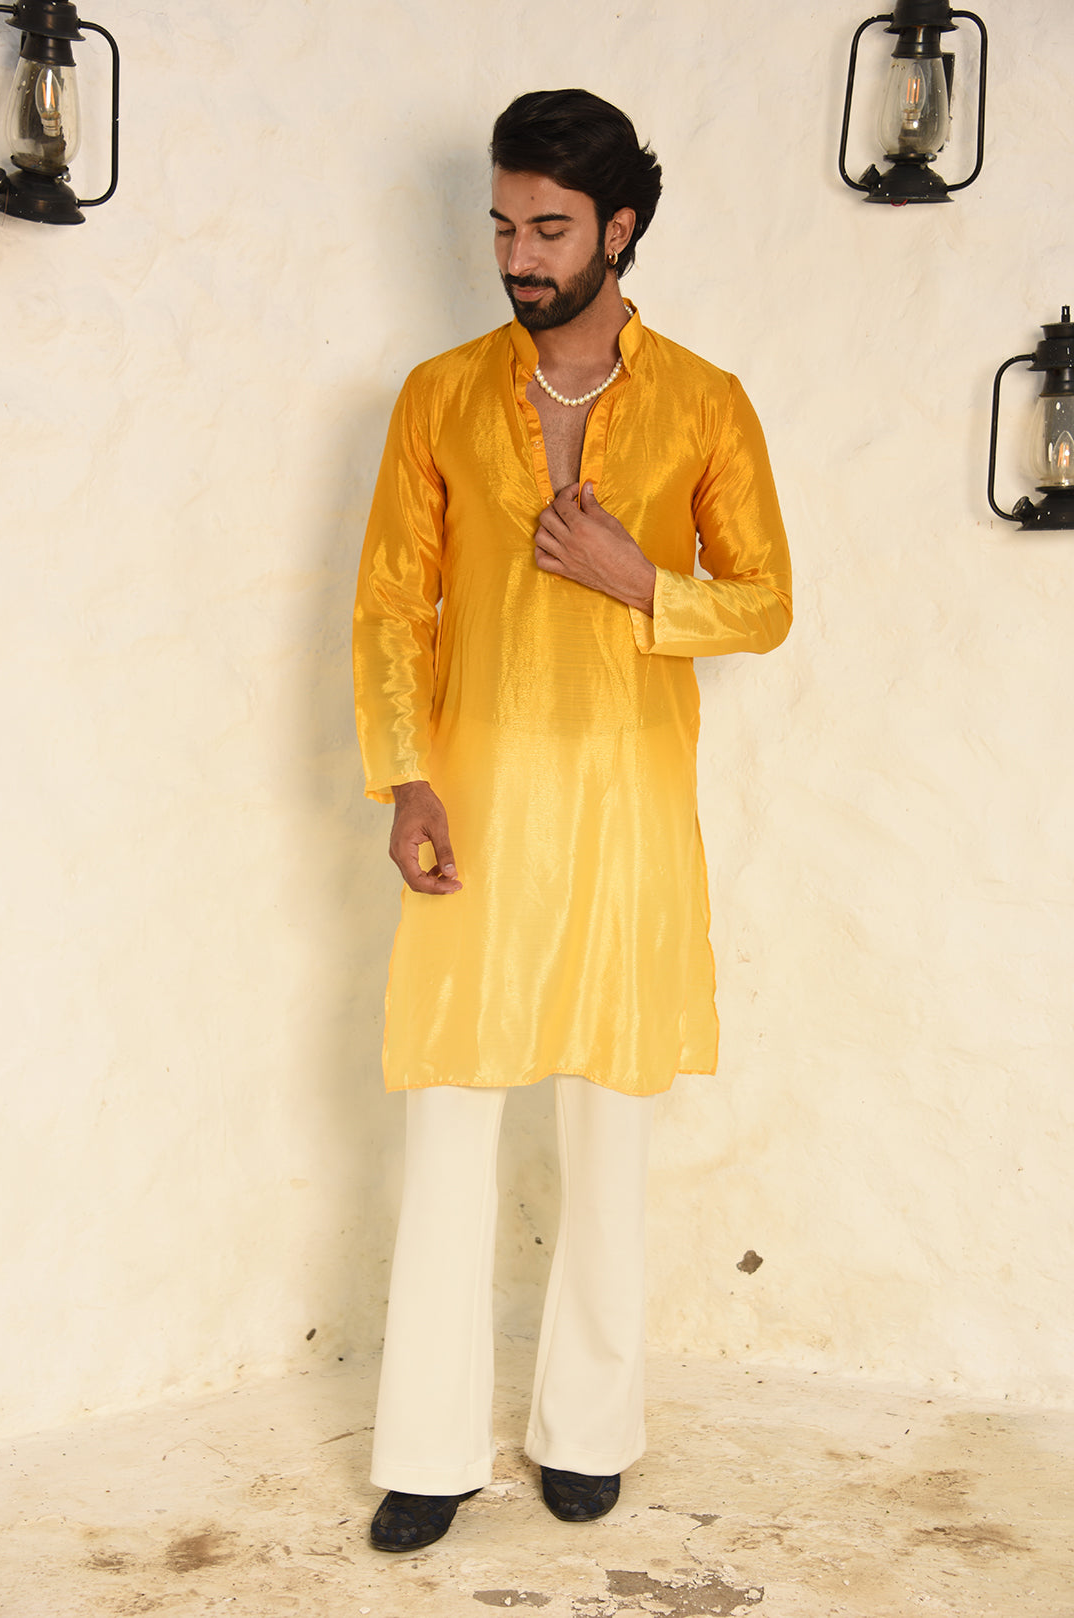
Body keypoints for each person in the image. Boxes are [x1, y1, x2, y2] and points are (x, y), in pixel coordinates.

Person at [352, 88, 792, 1552]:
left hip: (625, 809)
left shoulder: (707, 402)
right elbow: (391, 605)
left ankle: (587, 1435)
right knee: (450, 1124)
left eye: (548, 229)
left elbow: (767, 601)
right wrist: (407, 776)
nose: (518, 256)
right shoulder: (437, 395)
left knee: (609, 1133)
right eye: (502, 226)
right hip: (473, 806)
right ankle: (428, 1453)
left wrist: (641, 582)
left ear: (620, 228)